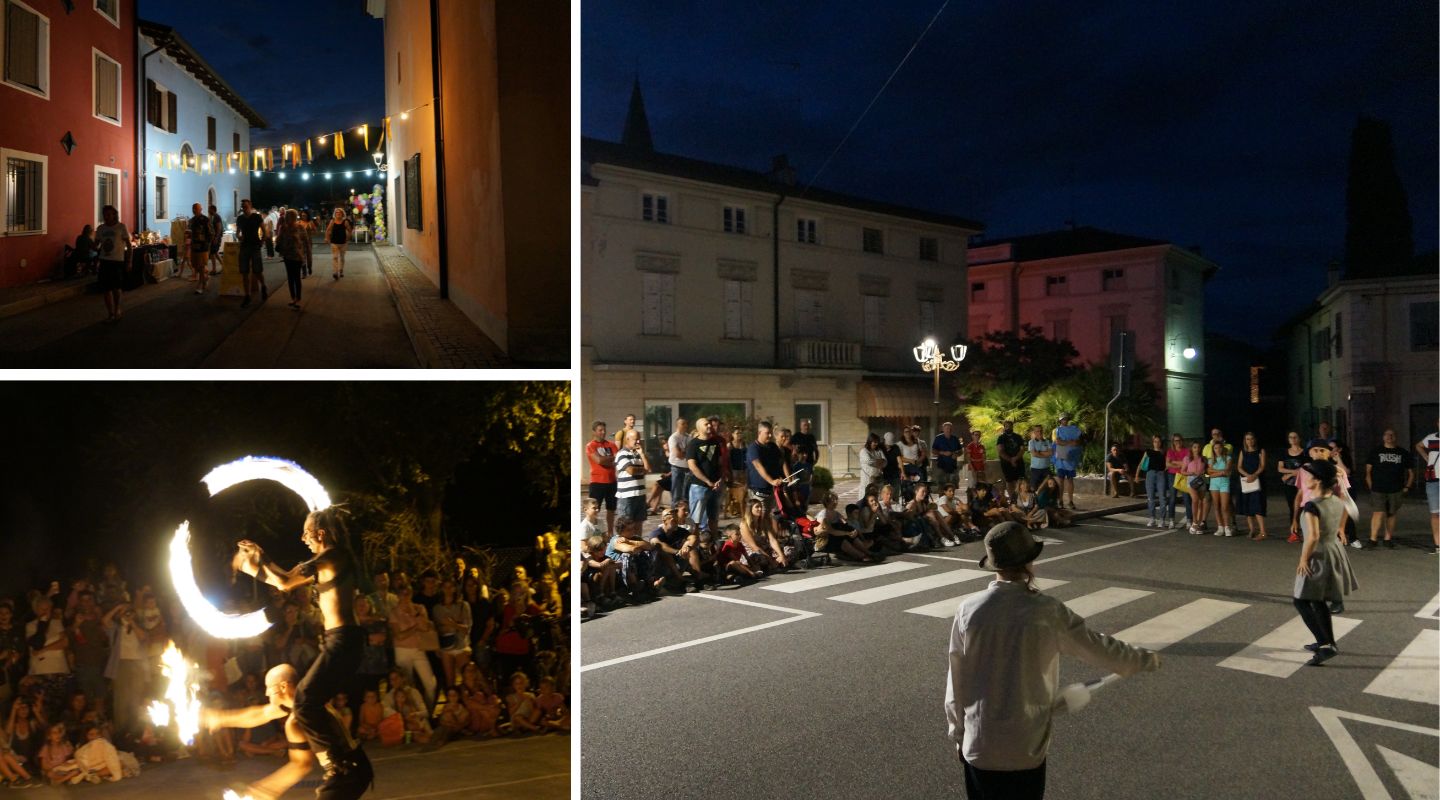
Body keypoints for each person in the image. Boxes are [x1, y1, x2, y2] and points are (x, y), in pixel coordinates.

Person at [945, 522, 1161, 799]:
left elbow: (956, 681)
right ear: (1030, 561)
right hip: (1026, 746)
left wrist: (958, 734)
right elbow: (1099, 647)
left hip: (980, 743)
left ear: (994, 564)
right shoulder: (1047, 611)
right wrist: (1142, 659)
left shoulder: (969, 610)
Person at [232, 508, 372, 794]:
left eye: (307, 532)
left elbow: (284, 581)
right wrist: (255, 566)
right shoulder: (327, 560)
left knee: (306, 700)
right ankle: (345, 761)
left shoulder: (333, 557)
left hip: (345, 639)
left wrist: (260, 561)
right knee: (309, 701)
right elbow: (282, 581)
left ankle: (339, 766)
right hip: (338, 639)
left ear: (320, 533)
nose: (303, 537)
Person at [202, 663, 366, 799]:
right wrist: (221, 718)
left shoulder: (296, 720)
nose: (266, 693)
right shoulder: (306, 699)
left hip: (346, 774)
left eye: (269, 688)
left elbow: (301, 764)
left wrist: (262, 791)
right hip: (356, 765)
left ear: (283, 687)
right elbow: (261, 713)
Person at [1292, 461, 1358, 665]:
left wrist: (1303, 559)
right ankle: (1328, 642)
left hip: (1318, 554)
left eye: (1309, 476)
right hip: (1333, 550)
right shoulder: (1337, 500)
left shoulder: (1313, 506)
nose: (1305, 479)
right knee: (1318, 599)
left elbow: (1312, 537)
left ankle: (1324, 645)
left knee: (1301, 600)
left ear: (1318, 480)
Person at [1358, 429, 1413, 550]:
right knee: (1378, 512)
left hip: (1396, 488)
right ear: (1383, 437)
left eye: (1392, 435)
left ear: (1396, 437)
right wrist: (1371, 485)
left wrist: (1407, 486)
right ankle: (1373, 539)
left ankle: (1388, 539)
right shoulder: (1376, 452)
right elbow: (1368, 471)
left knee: (1391, 514)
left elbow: (1411, 472)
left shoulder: (1402, 452)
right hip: (1378, 488)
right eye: (1387, 434)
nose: (1390, 437)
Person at [431, 580, 471, 691]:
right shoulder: (437, 609)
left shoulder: (463, 605)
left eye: (451, 587)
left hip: (461, 646)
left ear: (455, 589)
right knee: (450, 680)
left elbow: (466, 628)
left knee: (467, 678)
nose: (448, 590)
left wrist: (452, 624)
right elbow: (437, 629)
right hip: (446, 647)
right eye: (445, 587)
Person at [686, 416, 723, 535]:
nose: (709, 426)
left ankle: (713, 542)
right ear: (698, 428)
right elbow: (692, 466)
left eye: (709, 424)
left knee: (713, 517)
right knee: (696, 520)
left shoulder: (715, 442)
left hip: (715, 486)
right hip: (699, 486)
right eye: (706, 424)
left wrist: (720, 479)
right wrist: (707, 481)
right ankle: (695, 544)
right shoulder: (693, 444)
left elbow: (719, 463)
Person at [94, 205, 130, 322]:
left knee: (116, 288)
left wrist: (129, 261)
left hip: (117, 261)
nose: (107, 217)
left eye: (109, 214)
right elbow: (96, 245)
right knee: (106, 289)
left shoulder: (121, 227)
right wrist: (91, 244)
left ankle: (117, 309)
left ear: (114, 215)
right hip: (104, 260)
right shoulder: (100, 229)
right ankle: (110, 313)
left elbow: (129, 246)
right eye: (105, 214)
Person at [746, 422, 789, 512]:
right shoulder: (753, 448)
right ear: (759, 433)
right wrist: (771, 481)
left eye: (770, 433)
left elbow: (781, 461)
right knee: (760, 517)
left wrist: (787, 477)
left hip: (772, 490)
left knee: (774, 517)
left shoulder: (772, 446)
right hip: (758, 491)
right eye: (767, 433)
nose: (770, 435)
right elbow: (758, 466)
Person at [585, 422, 619, 538]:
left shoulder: (611, 445)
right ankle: (594, 532)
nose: (603, 432)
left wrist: (606, 460)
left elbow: (617, 460)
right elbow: (598, 461)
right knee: (594, 509)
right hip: (597, 482)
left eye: (604, 430)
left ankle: (610, 532)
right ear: (594, 431)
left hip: (612, 482)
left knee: (611, 508)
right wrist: (609, 459)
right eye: (600, 430)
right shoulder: (591, 446)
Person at [1234, 432, 1268, 540]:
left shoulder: (1260, 451)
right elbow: (1239, 466)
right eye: (1247, 439)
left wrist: (1254, 475)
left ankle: (1263, 531)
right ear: (1245, 441)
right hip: (1246, 480)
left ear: (1255, 440)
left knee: (1257, 505)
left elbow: (1262, 466)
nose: (1250, 441)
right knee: (1247, 506)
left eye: (1252, 439)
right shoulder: (1243, 452)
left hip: (1257, 480)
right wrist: (1248, 475)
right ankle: (1252, 530)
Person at [236, 199, 268, 308]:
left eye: (246, 206)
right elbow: (237, 233)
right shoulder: (240, 219)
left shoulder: (256, 217)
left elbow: (264, 231)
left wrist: (261, 242)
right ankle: (247, 296)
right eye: (243, 207)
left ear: (250, 206)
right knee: (244, 272)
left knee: (257, 271)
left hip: (255, 247)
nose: (244, 208)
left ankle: (263, 286)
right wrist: (239, 236)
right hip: (244, 247)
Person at [1277, 432, 1308, 539]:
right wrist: (1294, 472)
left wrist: (1289, 474)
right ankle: (1294, 532)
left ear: (1299, 439)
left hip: (1302, 484)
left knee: (1303, 506)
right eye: (1290, 437)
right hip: (1289, 484)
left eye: (1295, 437)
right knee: (1292, 507)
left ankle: (1305, 530)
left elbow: (1305, 468)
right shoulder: (1284, 452)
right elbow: (1280, 468)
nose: (1293, 439)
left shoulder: (1305, 453)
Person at [615, 429, 649, 525]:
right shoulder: (621, 454)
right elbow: (631, 471)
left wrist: (642, 454)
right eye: (635, 439)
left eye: (639, 439)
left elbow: (648, 469)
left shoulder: (639, 454)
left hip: (640, 494)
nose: (638, 441)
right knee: (625, 526)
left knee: (639, 524)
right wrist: (643, 470)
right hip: (627, 496)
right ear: (627, 439)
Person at [276, 210, 307, 310]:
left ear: (294, 217)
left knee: (296, 277)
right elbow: (278, 240)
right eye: (287, 216)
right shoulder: (283, 228)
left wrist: (306, 256)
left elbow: (305, 241)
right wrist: (279, 241)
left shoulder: (300, 227)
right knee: (290, 277)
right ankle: (293, 298)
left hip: (297, 256)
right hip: (287, 256)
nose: (288, 218)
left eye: (290, 216)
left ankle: (298, 298)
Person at [1140, 435, 1173, 528]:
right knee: (1150, 497)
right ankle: (1152, 518)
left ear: (1161, 443)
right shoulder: (1148, 451)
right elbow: (1142, 463)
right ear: (1153, 442)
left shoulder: (1163, 452)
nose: (1157, 443)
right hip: (1150, 474)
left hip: (1160, 475)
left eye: (1158, 441)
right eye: (1155, 441)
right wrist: (1137, 475)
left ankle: (1162, 519)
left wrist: (1163, 470)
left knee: (1162, 497)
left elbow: (1168, 463)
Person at [1051, 414, 1082, 509]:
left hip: (1071, 459)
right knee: (1060, 481)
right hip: (1060, 459)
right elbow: (1057, 442)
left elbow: (1078, 442)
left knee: (1070, 480)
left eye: (1066, 419)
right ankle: (1060, 500)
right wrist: (1070, 442)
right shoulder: (1056, 430)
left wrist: (1068, 442)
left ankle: (1070, 501)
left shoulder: (1074, 429)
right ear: (1060, 421)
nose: (1065, 420)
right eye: (1063, 419)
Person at [1418, 426, 1440, 555]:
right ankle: (1438, 545)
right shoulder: (1431, 437)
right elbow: (1418, 446)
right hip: (1432, 479)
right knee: (1435, 513)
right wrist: (1426, 457)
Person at [1182, 441, 1211, 534]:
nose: (1196, 449)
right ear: (1191, 448)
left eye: (1198, 447)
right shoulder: (1187, 458)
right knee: (1195, 500)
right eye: (1194, 447)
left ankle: (1198, 523)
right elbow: (1182, 471)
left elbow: (1207, 472)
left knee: (1201, 502)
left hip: (1201, 481)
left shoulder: (1204, 459)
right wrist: (1191, 473)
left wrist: (1204, 474)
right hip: (1191, 480)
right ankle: (1194, 522)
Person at [666, 419, 692, 509]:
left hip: (688, 468)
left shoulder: (689, 437)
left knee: (686, 493)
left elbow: (692, 452)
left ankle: (685, 514)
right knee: (676, 493)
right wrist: (686, 451)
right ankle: (674, 513)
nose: (685, 425)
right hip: (677, 467)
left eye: (686, 423)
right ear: (677, 425)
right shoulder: (674, 438)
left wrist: (684, 451)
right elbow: (678, 455)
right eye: (682, 423)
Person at [996, 421, 1026, 496]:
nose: (1008, 428)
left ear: (1012, 427)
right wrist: (1011, 460)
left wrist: (1015, 458)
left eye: (1010, 426)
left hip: (1018, 462)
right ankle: (1011, 498)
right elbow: (1000, 451)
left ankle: (1020, 497)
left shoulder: (1018, 437)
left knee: (1019, 481)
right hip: (1006, 463)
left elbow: (1022, 449)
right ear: (1004, 427)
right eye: (1006, 426)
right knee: (1009, 481)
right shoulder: (1001, 438)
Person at [326, 208, 352, 279]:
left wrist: (348, 238)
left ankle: (341, 270)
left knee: (342, 258)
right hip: (334, 242)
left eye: (339, 212)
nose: (338, 214)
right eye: (336, 212)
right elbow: (328, 230)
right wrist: (327, 238)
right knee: (335, 257)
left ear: (342, 214)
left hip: (343, 243)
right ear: (335, 214)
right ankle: (335, 272)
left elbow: (350, 230)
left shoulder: (345, 222)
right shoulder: (332, 221)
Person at [1026, 426, 1053, 490]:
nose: (1039, 432)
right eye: (1037, 431)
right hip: (1035, 469)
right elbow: (1034, 454)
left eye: (1041, 431)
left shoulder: (1047, 441)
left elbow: (1051, 453)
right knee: (1034, 488)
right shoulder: (1031, 442)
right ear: (1034, 432)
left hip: (1046, 468)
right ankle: (1033, 500)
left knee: (1046, 488)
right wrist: (1045, 454)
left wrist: (1039, 452)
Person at [298, 209, 316, 277]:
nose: (303, 216)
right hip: (301, 242)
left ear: (307, 215)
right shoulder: (298, 223)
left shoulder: (310, 223)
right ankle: (304, 272)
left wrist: (310, 232)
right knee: (302, 256)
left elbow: (315, 232)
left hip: (308, 242)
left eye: (305, 215)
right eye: (302, 215)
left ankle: (309, 267)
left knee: (309, 256)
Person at [207, 204, 223, 275]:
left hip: (216, 238)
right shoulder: (214, 217)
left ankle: (214, 270)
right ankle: (224, 266)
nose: (208, 210)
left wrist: (216, 237)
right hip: (214, 238)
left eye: (209, 209)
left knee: (213, 253)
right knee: (215, 253)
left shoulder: (216, 217)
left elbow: (219, 228)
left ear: (213, 209)